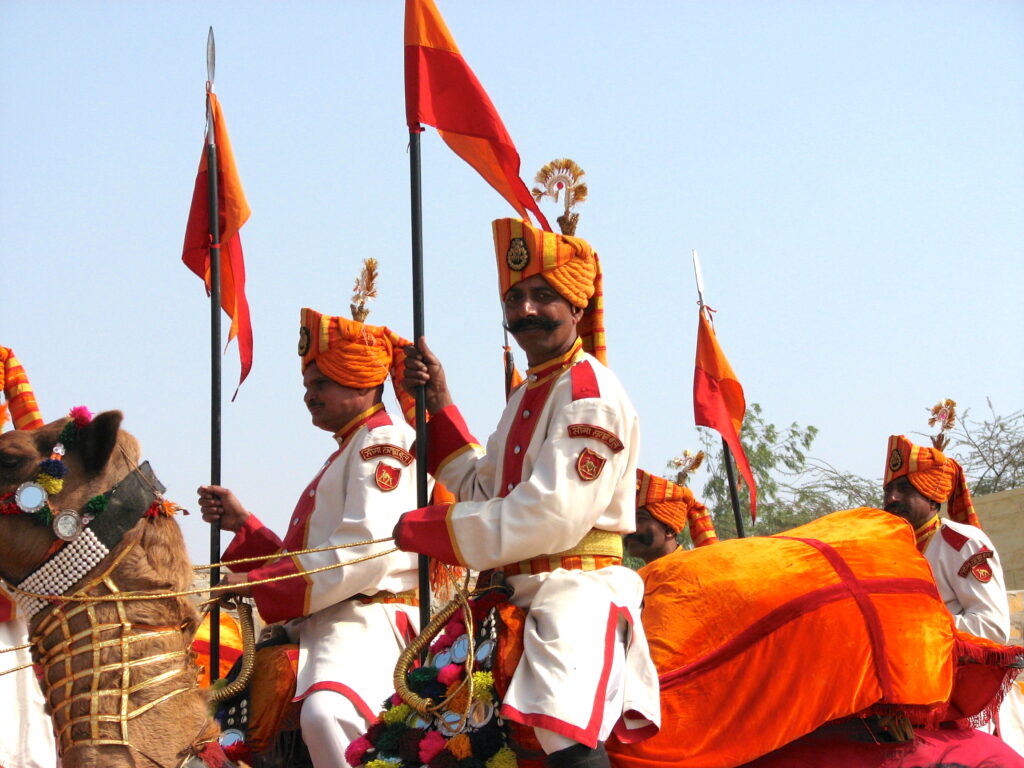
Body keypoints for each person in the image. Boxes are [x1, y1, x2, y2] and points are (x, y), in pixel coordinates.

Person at [395, 217, 659, 768]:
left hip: (575, 587)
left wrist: (433, 530)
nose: (526, 311)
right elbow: (480, 486)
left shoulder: (591, 396)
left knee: (556, 723)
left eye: (543, 297)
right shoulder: (527, 396)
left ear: (577, 308)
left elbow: (550, 516)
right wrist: (439, 406)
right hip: (512, 587)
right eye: (515, 298)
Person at [197, 308, 422, 768]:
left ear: (361, 381)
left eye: (320, 384)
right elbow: (307, 558)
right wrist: (246, 528)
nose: (308, 396)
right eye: (306, 385)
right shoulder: (346, 450)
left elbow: (363, 553)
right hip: (321, 626)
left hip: (365, 623)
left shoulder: (383, 442)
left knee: (328, 714)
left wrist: (260, 584)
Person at [881, 434, 1010, 643]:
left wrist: (918, 622)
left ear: (932, 499)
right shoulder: (887, 547)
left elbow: (992, 629)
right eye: (888, 490)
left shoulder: (962, 543)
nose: (892, 498)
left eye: (904, 488)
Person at [627, 468, 718, 564]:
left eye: (641, 519)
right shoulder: (641, 577)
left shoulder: (690, 570)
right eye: (630, 519)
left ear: (669, 530)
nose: (630, 527)